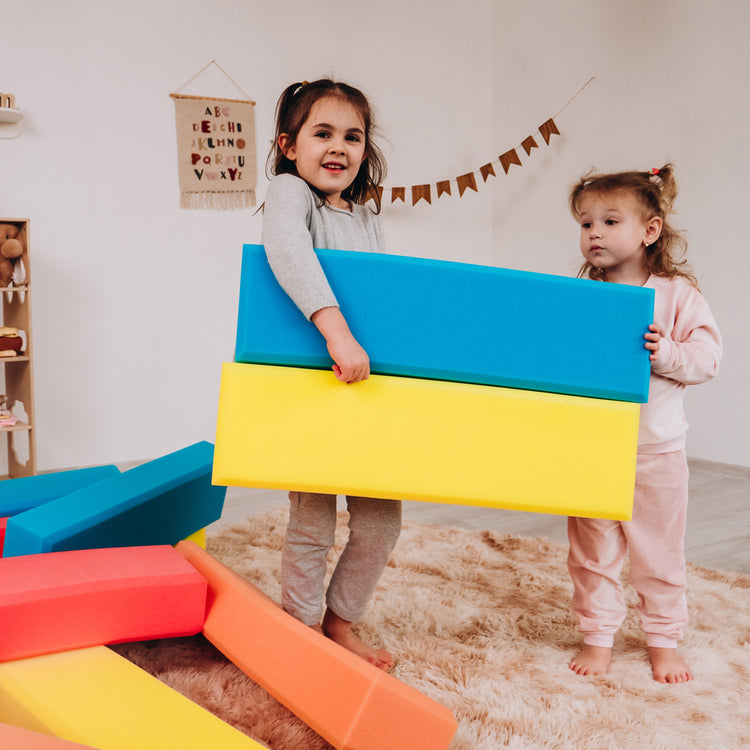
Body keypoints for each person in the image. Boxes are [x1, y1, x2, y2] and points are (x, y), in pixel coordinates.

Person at [260, 79, 401, 670]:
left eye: (353, 136)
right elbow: (287, 251)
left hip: (365, 388)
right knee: (312, 519)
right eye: (322, 133)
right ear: (290, 145)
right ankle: (300, 626)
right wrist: (336, 332)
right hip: (310, 383)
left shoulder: (366, 216)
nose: (338, 147)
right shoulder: (290, 192)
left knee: (381, 522)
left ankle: (339, 622)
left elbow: (385, 293)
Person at [565, 164, 722, 683]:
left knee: (658, 551)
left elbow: (707, 359)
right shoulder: (584, 298)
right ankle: (598, 635)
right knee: (592, 552)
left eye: (610, 222)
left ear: (649, 231)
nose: (595, 234)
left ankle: (662, 637)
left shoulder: (677, 296)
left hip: (656, 451)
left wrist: (667, 353)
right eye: (587, 224)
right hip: (593, 448)